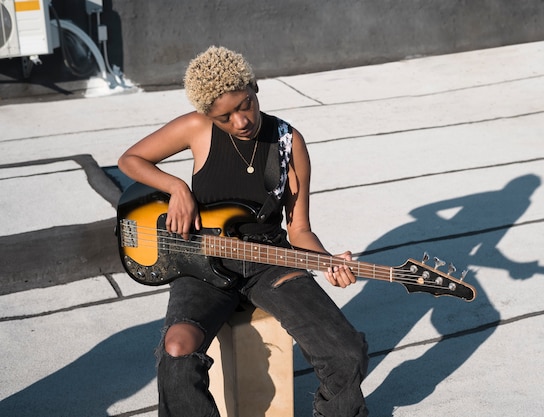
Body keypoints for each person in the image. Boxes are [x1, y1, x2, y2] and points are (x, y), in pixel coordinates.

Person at [118, 46, 369, 417]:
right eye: (224, 118)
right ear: (208, 116)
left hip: (269, 261)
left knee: (346, 351)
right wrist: (177, 188)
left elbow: (299, 228)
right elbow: (130, 160)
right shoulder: (196, 128)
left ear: (254, 86)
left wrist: (327, 261)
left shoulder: (288, 143)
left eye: (244, 105)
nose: (239, 122)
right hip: (200, 263)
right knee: (177, 348)